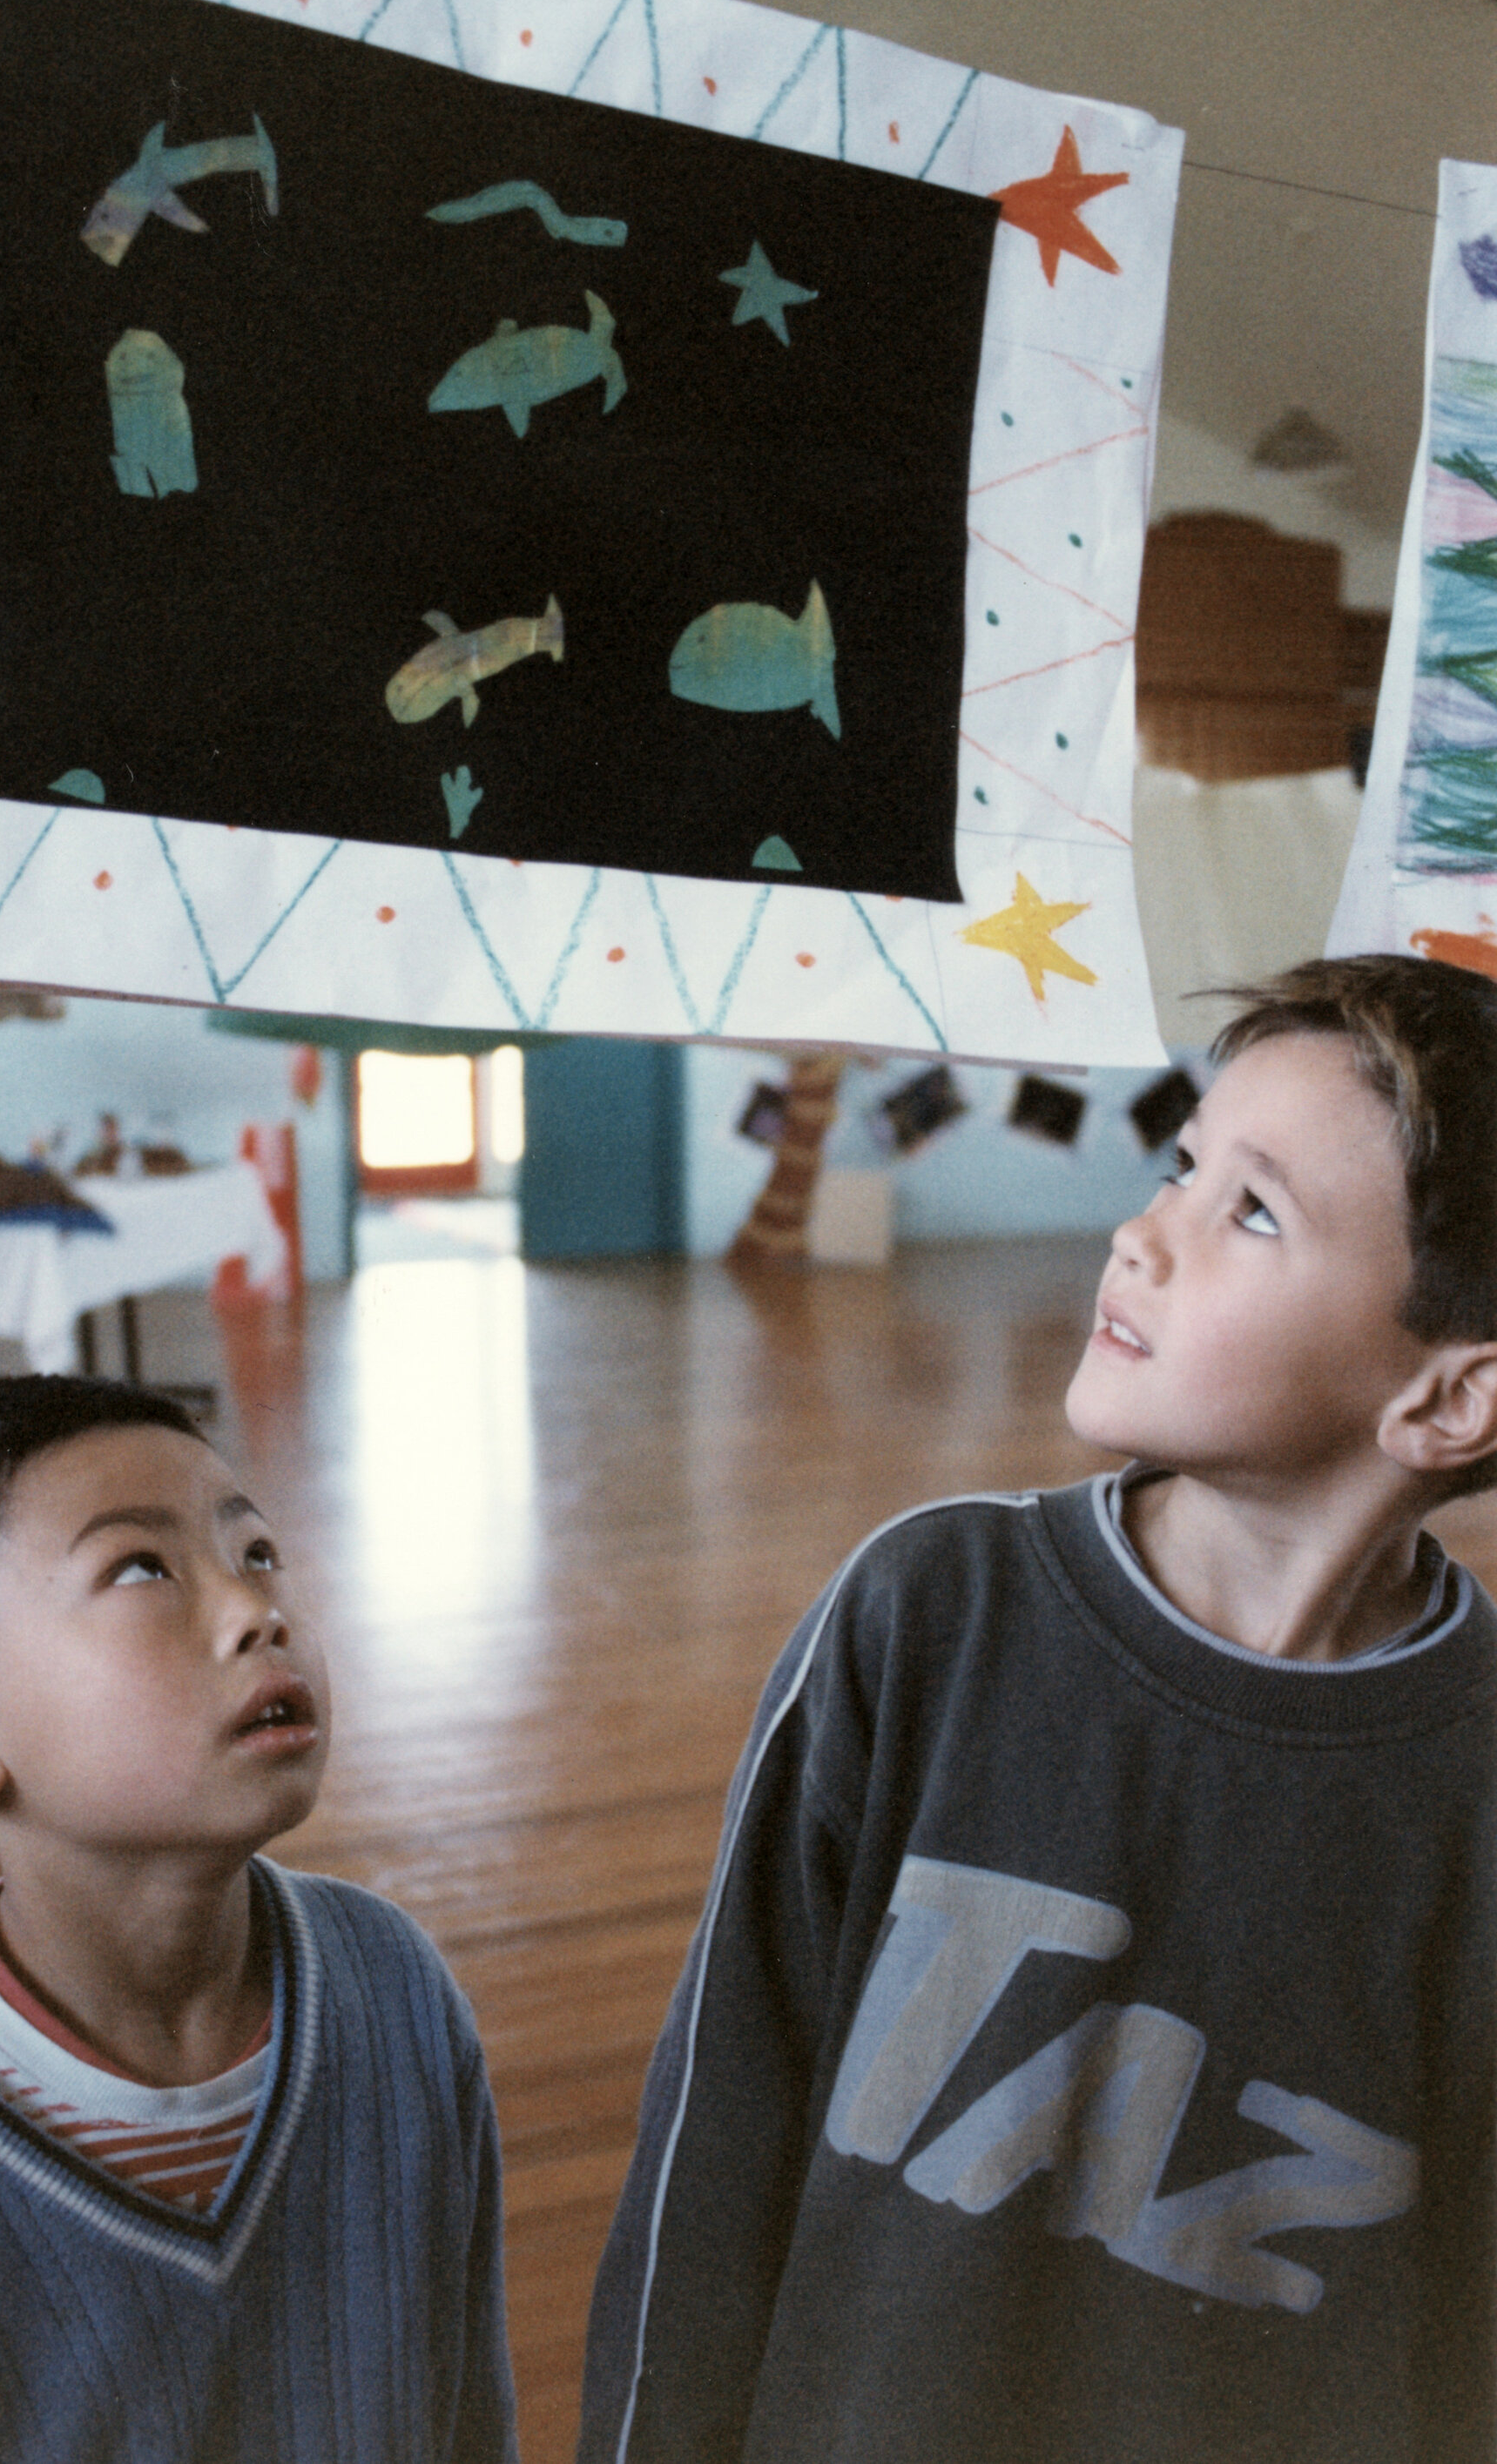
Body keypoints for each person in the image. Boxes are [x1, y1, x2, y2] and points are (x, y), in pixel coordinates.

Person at [579, 954, 1496, 2464]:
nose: (1141, 1234)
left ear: (1447, 1403)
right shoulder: (924, 1614)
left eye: (1250, 1210)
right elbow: (710, 2150)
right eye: (1180, 1167)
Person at [0, 1374, 517, 2464]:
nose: (260, 1609)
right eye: (141, 1567)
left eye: (255, 1551)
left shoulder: (390, 1985)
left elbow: (466, 2420)